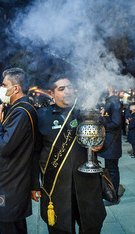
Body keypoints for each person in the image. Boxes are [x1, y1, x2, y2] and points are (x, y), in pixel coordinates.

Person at [31, 76, 106, 234]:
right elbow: (35, 151)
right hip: (57, 185)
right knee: (60, 229)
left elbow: (107, 137)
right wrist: (33, 183)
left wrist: (101, 145)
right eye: (61, 89)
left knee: (92, 227)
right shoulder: (41, 115)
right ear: (52, 93)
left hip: (87, 184)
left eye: (70, 87)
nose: (67, 91)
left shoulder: (86, 113)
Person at [0, 68, 38, 234]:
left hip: (10, 184)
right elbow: (12, 142)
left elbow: (5, 146)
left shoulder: (21, 111)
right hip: (10, 181)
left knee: (11, 228)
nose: (1, 89)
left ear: (16, 88)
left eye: (4, 85)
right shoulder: (17, 108)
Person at [98, 86, 123, 206]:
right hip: (108, 142)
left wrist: (101, 119)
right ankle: (108, 193)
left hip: (112, 142)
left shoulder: (114, 102)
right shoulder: (109, 101)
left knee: (112, 170)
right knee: (109, 170)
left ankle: (113, 197)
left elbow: (115, 123)